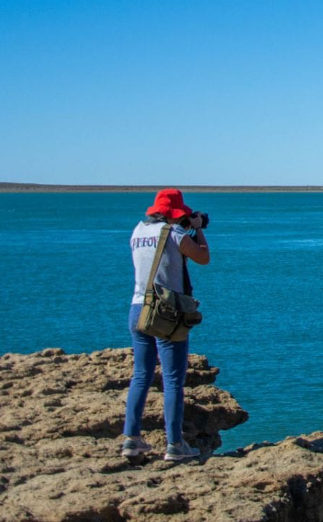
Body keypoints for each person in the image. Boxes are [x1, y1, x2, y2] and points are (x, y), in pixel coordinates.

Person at [121, 188, 210, 461]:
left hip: (138, 308)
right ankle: (175, 444)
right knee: (173, 379)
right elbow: (203, 257)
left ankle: (131, 440)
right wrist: (197, 229)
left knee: (141, 376)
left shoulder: (137, 232)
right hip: (166, 313)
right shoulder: (174, 234)